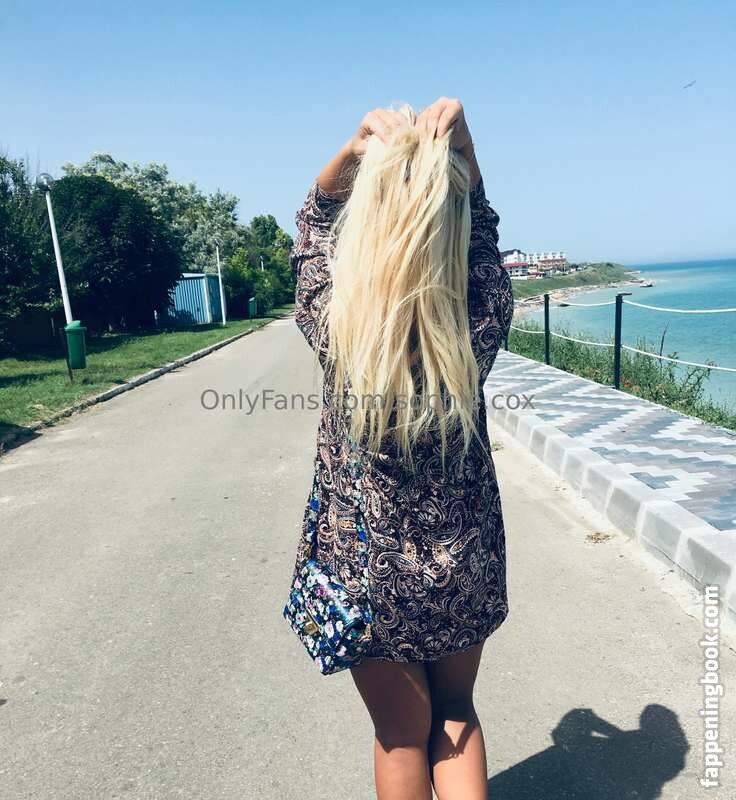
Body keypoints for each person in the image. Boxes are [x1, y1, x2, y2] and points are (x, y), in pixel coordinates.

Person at [288, 97, 514, 800]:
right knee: (456, 716)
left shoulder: (338, 323)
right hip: (464, 555)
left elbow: (313, 224)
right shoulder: (479, 317)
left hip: (363, 567)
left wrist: (354, 149)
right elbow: (483, 232)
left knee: (400, 734)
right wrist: (463, 154)